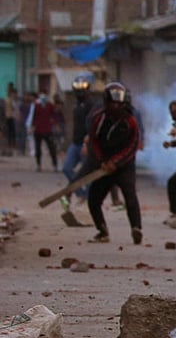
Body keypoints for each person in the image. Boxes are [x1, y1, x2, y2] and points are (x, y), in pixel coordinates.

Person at [84, 82, 143, 244]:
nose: (115, 107)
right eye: (112, 103)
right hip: (104, 165)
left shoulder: (130, 121)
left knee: (130, 195)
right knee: (94, 199)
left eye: (119, 103)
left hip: (125, 165)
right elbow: (94, 142)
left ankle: (136, 228)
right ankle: (102, 231)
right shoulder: (99, 118)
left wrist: (116, 163)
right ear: (106, 102)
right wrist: (103, 161)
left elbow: (133, 145)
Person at [61, 75, 95, 204]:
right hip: (75, 144)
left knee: (87, 175)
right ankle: (81, 194)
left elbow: (92, 126)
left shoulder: (91, 106)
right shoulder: (76, 105)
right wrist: (65, 147)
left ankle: (87, 198)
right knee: (67, 169)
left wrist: (87, 144)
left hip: (86, 144)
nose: (80, 91)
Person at [26, 92, 58, 172]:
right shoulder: (37, 105)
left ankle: (55, 165)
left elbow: (54, 115)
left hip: (47, 129)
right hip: (38, 130)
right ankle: (39, 165)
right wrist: (32, 128)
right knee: (38, 148)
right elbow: (34, 117)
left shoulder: (50, 105)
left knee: (51, 148)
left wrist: (56, 125)